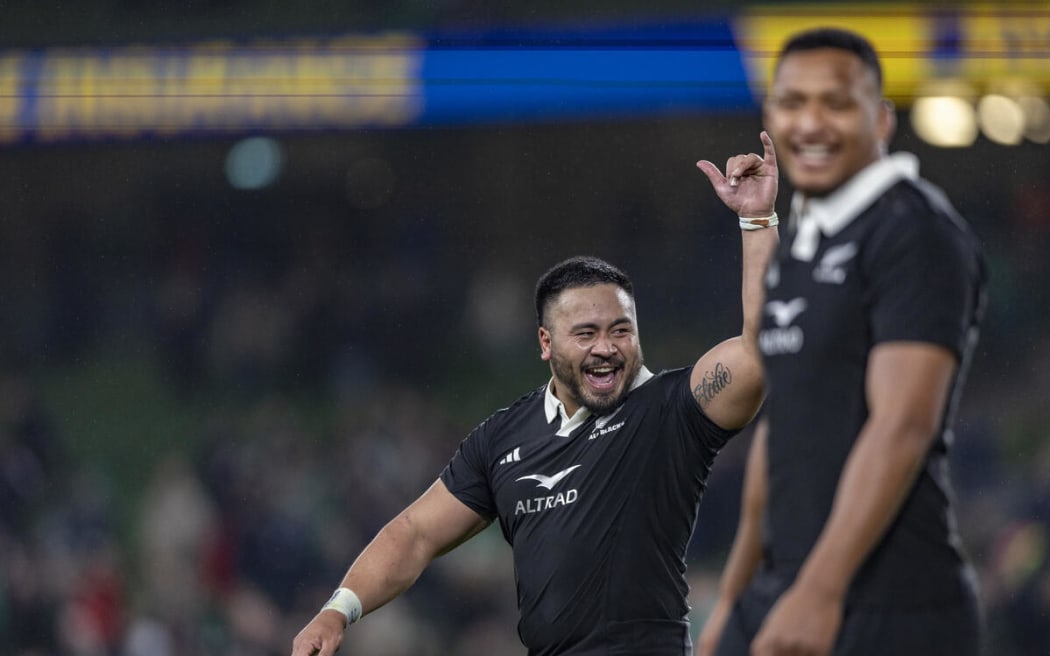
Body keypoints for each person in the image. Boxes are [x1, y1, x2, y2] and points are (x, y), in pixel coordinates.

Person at [289, 137, 781, 655]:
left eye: (621, 330)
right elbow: (415, 534)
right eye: (586, 333)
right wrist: (337, 610)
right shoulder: (503, 438)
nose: (607, 348)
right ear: (546, 343)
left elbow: (760, 353)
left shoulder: (667, 409)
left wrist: (757, 221)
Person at [696, 27, 988, 656]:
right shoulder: (807, 239)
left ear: (880, 119)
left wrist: (821, 591)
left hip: (892, 609)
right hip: (787, 593)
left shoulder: (915, 232)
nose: (812, 122)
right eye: (793, 103)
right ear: (772, 115)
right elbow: (783, 430)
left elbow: (903, 426)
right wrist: (736, 602)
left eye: (836, 102)